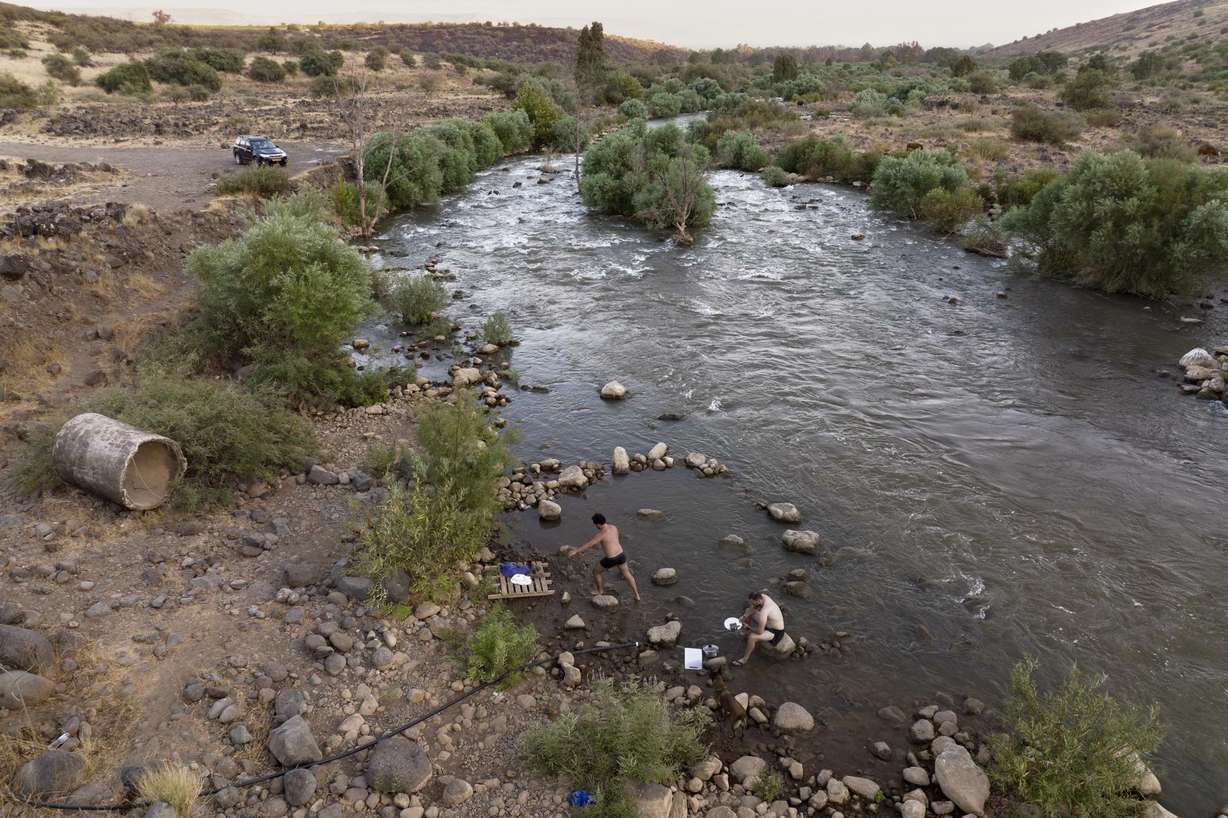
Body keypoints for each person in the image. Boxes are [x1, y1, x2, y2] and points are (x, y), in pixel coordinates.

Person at [563, 513, 641, 602]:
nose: (595, 526)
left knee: (596, 571)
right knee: (628, 575)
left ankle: (599, 590)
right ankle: (637, 595)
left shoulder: (601, 534)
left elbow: (589, 544)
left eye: (595, 524)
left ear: (598, 524)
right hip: (621, 555)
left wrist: (576, 551)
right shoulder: (614, 527)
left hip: (611, 559)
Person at [733, 590, 784, 666]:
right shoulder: (763, 596)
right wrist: (744, 616)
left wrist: (749, 627)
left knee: (752, 637)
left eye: (753, 603)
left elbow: (760, 632)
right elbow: (752, 608)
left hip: (775, 632)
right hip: (768, 623)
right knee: (748, 611)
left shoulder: (764, 611)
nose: (752, 604)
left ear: (758, 600)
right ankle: (746, 632)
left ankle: (744, 659)